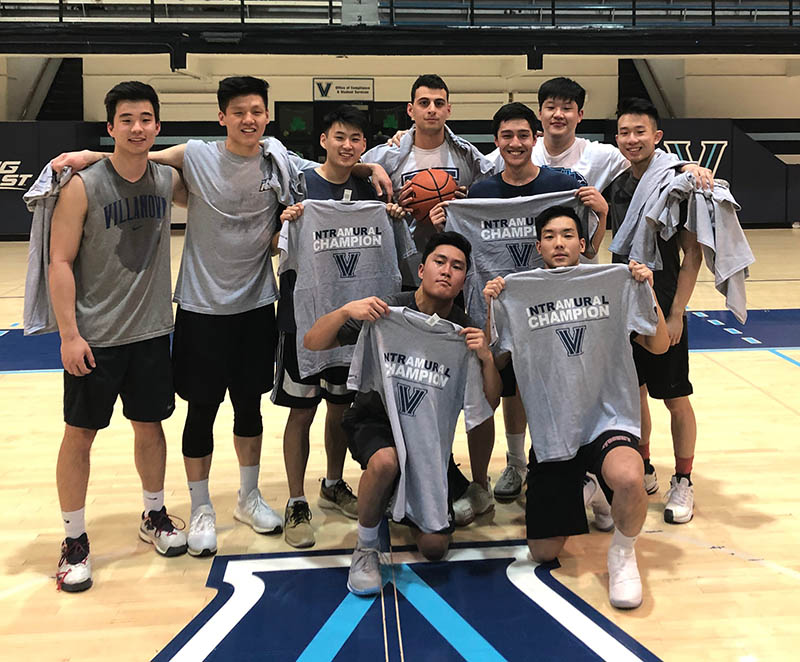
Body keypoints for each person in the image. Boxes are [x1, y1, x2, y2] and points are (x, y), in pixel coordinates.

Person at [430, 102, 611, 527]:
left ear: (536, 139)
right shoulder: (480, 193)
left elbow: (588, 246)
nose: (515, 143)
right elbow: (460, 248)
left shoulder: (560, 185)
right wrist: (443, 223)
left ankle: (561, 466)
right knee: (504, 392)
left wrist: (599, 214)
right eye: (507, 136)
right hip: (496, 306)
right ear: (497, 143)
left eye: (523, 136)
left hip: (551, 307)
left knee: (549, 390)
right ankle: (515, 463)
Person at [485, 205, 670, 609]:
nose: (559, 242)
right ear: (538, 246)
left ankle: (622, 551)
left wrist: (647, 288)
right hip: (556, 429)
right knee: (543, 552)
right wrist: (492, 307)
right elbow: (496, 362)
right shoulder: (517, 291)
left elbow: (659, 344)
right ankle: (591, 485)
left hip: (608, 416)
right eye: (550, 236)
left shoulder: (613, 282)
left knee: (628, 476)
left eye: (568, 234)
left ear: (582, 243)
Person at [304, 232, 501, 596]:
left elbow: (489, 403)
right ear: (422, 269)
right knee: (385, 463)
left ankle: (405, 497)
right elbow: (313, 342)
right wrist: (348, 310)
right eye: (440, 262)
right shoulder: (386, 312)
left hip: (425, 440)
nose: (447, 271)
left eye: (457, 267)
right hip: (374, 421)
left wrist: (486, 358)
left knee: (434, 549)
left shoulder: (463, 330)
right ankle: (365, 548)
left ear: (463, 280)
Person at [48, 81, 188, 592]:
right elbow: (59, 260)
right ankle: (74, 539)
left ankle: (153, 515)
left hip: (151, 333)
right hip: (96, 337)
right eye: (126, 119)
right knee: (79, 435)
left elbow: (214, 167)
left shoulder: (165, 181)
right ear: (110, 127)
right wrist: (69, 335)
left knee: (150, 428)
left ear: (156, 126)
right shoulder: (83, 184)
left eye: (146, 119)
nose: (137, 128)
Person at [273, 105, 411, 548]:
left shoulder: (371, 187)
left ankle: (332, 483)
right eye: (339, 137)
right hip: (306, 315)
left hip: (355, 323)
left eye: (356, 139)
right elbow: (279, 248)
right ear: (324, 141)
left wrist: (390, 215)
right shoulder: (301, 186)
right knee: (302, 410)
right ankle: (296, 500)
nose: (347, 145)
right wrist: (288, 220)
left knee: (339, 407)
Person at [362, 74, 496, 524]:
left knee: (466, 379)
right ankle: (401, 461)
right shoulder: (389, 154)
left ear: (449, 109)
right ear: (411, 109)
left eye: (440, 102)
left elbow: (497, 184)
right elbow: (349, 167)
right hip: (408, 277)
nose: (432, 110)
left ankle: (477, 483)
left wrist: (463, 202)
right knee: (410, 380)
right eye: (424, 102)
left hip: (456, 280)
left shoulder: (468, 157)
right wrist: (378, 182)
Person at [606, 97, 703, 524]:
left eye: (639, 131)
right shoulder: (618, 183)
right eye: (624, 132)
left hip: (662, 304)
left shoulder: (674, 184)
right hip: (625, 303)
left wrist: (678, 310)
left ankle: (684, 480)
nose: (632, 139)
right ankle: (643, 464)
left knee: (675, 395)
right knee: (636, 392)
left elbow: (692, 254)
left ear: (657, 137)